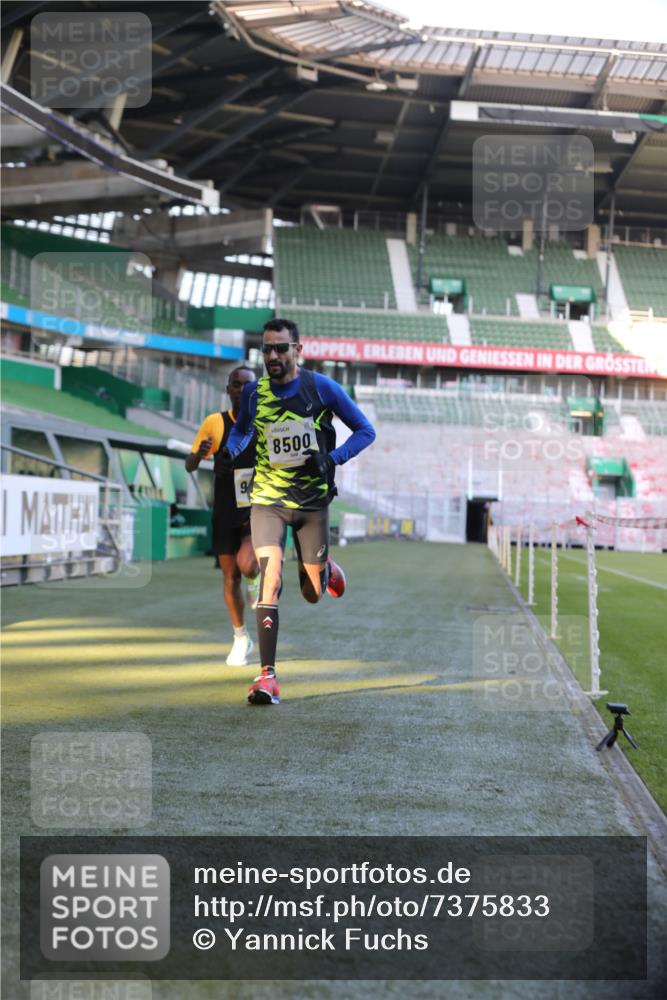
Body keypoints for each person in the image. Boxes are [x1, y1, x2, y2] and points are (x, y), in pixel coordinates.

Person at [221, 318, 376, 705]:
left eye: (280, 348)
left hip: (312, 503)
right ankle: (267, 677)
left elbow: (365, 431)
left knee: (312, 593)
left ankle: (324, 569)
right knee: (269, 577)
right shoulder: (255, 393)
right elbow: (241, 430)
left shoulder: (320, 388)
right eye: (267, 349)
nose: (272, 356)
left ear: (297, 350)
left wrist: (331, 459)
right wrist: (233, 449)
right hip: (268, 500)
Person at [186, 365, 260, 666]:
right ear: (228, 389)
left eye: (248, 385)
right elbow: (191, 464)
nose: (242, 390)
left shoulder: (266, 423)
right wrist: (199, 452)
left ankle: (256, 578)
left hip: (257, 506)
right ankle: (241, 637)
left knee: (248, 564)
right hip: (225, 507)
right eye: (236, 384)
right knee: (230, 577)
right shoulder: (214, 423)